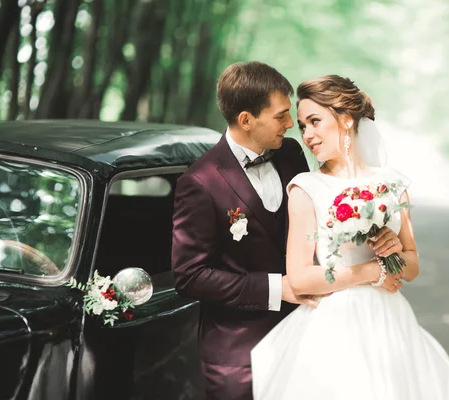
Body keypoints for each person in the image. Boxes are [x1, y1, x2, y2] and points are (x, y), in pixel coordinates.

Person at [171, 62, 405, 400]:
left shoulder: (291, 154)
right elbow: (190, 275)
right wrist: (276, 287)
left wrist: (375, 238)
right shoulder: (200, 182)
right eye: (281, 116)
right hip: (238, 353)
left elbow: (325, 217)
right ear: (246, 120)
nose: (290, 125)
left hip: (310, 334)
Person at [251, 75, 449, 399]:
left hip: (391, 325)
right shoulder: (306, 188)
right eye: (303, 126)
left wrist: (393, 250)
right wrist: (374, 271)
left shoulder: (392, 184)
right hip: (335, 328)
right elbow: (299, 278)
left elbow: (411, 267)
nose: (308, 135)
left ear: (345, 118)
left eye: (315, 121)